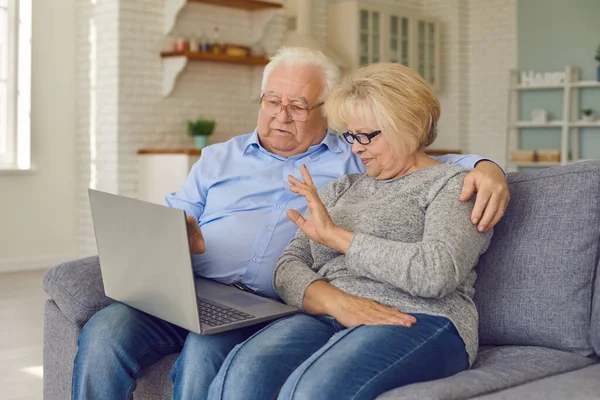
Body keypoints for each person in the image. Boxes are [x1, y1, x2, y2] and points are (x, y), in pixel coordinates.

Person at [72, 48, 508, 400]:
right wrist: (172, 236)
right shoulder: (232, 160)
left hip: (276, 308)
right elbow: (290, 261)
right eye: (272, 101)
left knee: (218, 358)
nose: (281, 115)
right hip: (202, 289)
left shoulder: (349, 161)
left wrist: (488, 166)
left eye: (298, 105)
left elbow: (427, 176)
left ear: (325, 113)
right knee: (106, 330)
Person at [207, 62, 493, 400]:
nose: (355, 148)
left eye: (366, 136)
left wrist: (337, 238)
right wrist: (336, 302)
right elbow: (287, 267)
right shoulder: (342, 188)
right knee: (245, 367)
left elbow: (435, 272)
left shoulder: (453, 185)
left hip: (421, 317)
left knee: (312, 389)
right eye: (350, 135)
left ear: (409, 127)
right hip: (330, 312)